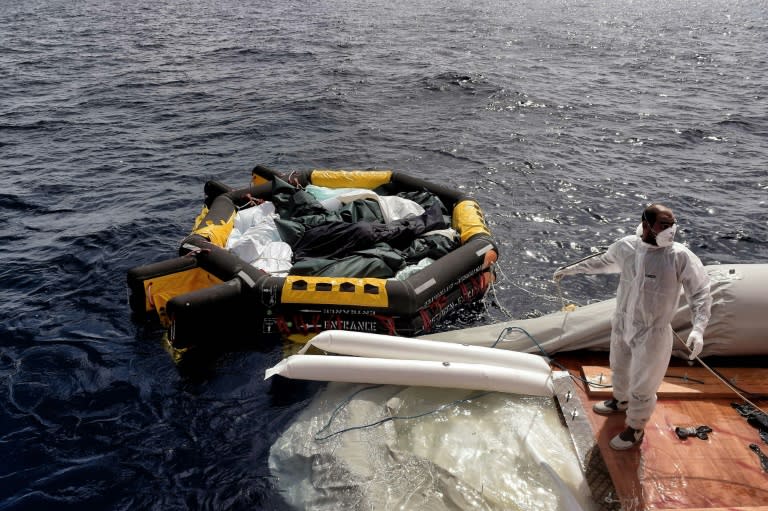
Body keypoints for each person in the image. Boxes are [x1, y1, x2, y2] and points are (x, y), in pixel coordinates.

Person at [553, 204, 712, 450]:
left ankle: (635, 428)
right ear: (646, 225)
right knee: (620, 367)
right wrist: (570, 270)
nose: (671, 230)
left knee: (644, 384)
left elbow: (700, 293)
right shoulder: (627, 247)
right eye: (664, 225)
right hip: (623, 323)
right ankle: (620, 400)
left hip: (653, 333)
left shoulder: (679, 257)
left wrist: (698, 328)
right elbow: (603, 262)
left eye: (672, 225)